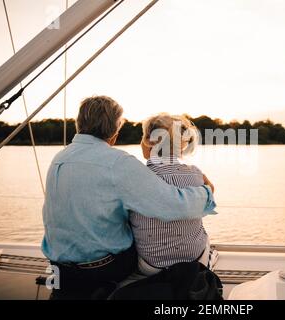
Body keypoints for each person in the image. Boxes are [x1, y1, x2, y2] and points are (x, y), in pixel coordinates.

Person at [41, 96, 216, 299]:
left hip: (60, 270)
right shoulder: (118, 163)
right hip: (103, 269)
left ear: (78, 124)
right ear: (115, 132)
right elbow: (174, 205)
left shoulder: (59, 158)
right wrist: (207, 191)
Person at [130, 113, 215, 276]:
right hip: (195, 260)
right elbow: (209, 194)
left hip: (151, 266)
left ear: (148, 140)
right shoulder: (196, 174)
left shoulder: (135, 177)